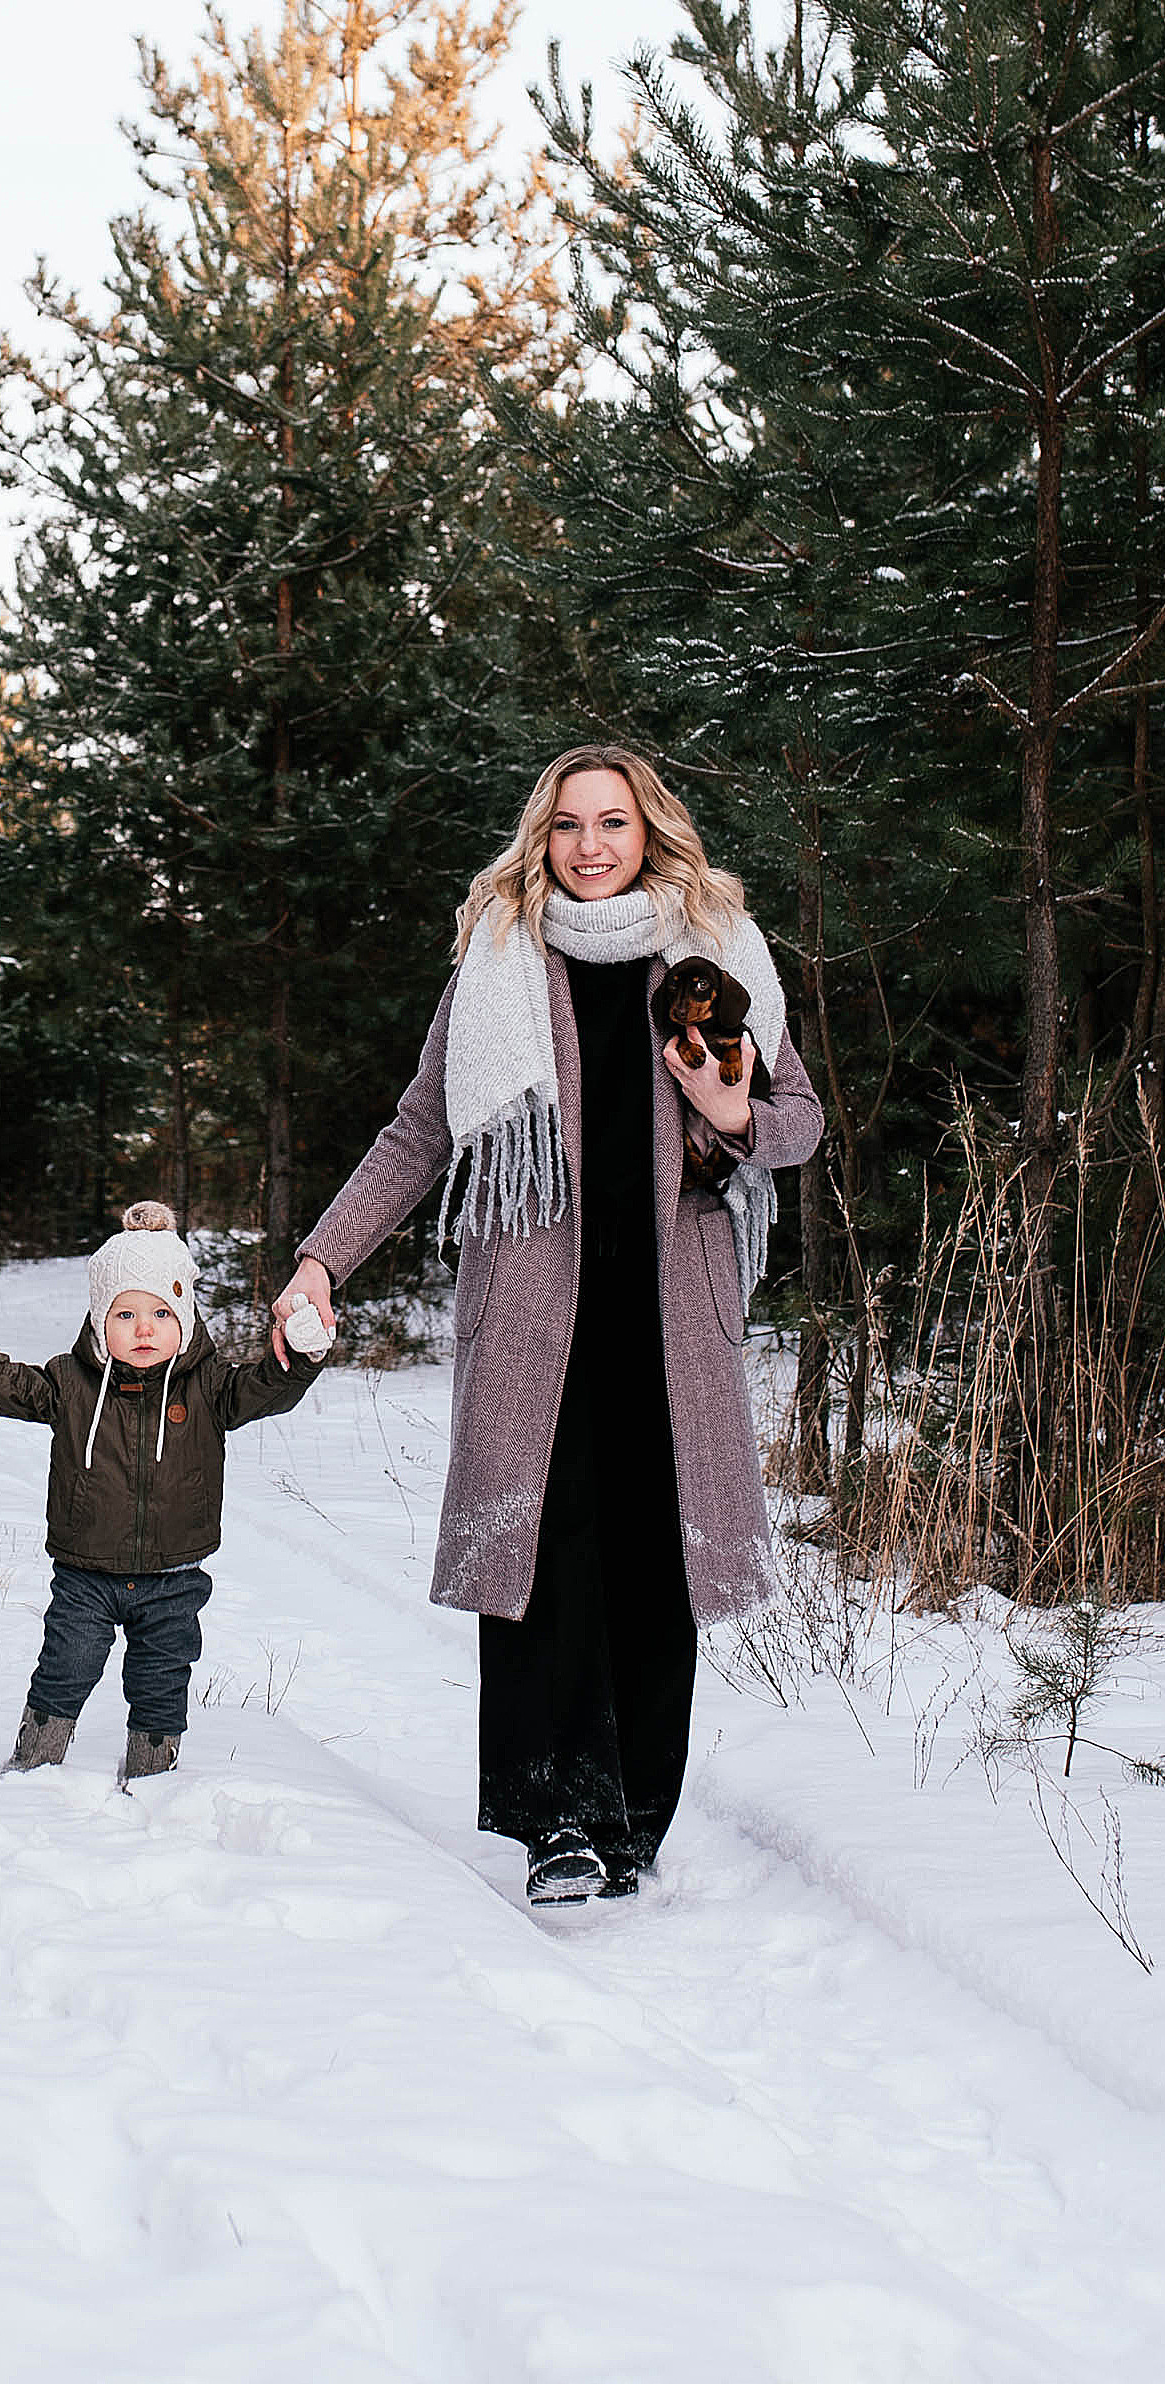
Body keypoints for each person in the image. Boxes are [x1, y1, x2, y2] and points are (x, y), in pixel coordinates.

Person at [271, 747, 822, 1906]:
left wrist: (732, 1109)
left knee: (649, 1564)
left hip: (673, 1313)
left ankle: (633, 1821)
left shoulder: (715, 960)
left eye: (611, 823)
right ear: (542, 835)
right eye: (567, 824)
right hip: (536, 1312)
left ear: (648, 832)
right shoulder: (498, 962)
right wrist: (322, 1260)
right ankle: (554, 1823)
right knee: (542, 1555)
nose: (588, 846)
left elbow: (799, 1122)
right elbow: (421, 1129)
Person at [0, 1203, 334, 1783]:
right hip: (85, 1572)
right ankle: (34, 1759)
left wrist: (300, 1357)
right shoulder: (69, 1384)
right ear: (100, 1321)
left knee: (162, 1675)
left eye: (160, 1313)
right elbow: (11, 1384)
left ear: (185, 1320)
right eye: (125, 1314)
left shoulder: (211, 1387)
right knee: (65, 1665)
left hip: (174, 1574)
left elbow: (268, 1387)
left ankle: (153, 1767)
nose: (144, 1329)